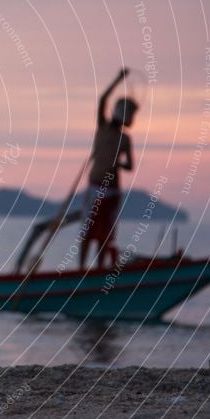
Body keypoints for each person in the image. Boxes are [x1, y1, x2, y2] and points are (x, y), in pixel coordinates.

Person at [80, 68, 137, 270]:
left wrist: (118, 164)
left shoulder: (125, 139)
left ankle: (99, 269)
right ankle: (81, 269)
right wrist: (118, 79)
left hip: (112, 191)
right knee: (87, 231)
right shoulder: (103, 127)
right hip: (95, 186)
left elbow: (130, 165)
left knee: (105, 235)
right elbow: (102, 99)